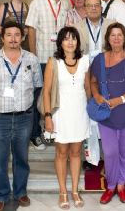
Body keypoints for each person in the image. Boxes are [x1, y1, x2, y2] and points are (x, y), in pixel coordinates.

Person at [0, 20, 42, 211]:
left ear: (22, 37)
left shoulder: (32, 59)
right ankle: (0, 195)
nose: (13, 39)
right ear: (2, 37)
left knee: (21, 157)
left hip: (24, 117)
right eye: (9, 35)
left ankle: (20, 193)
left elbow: (37, 86)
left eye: (17, 35)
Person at [91, 23, 125, 204]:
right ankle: (110, 185)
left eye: (119, 35)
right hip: (106, 115)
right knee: (111, 151)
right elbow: (93, 82)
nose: (116, 38)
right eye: (113, 35)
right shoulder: (99, 59)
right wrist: (97, 95)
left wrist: (120, 100)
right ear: (108, 38)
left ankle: (121, 185)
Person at [42, 27, 91, 209]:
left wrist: (93, 111)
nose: (70, 42)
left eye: (73, 38)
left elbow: (87, 89)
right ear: (60, 42)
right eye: (66, 39)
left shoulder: (85, 61)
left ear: (78, 42)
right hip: (60, 114)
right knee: (62, 153)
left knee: (76, 153)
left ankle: (75, 190)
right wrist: (48, 116)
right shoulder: (53, 62)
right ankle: (63, 192)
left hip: (80, 113)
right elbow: (46, 92)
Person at [26, 0, 70, 149]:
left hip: (59, 59)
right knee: (37, 95)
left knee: (57, 96)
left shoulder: (65, 3)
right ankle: (35, 134)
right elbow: (31, 30)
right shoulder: (38, 1)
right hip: (42, 58)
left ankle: (54, 130)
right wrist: (33, 56)